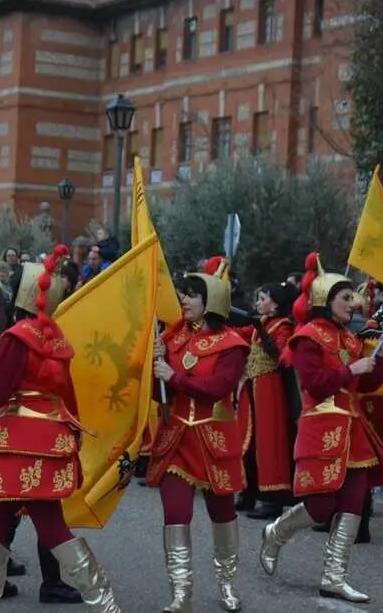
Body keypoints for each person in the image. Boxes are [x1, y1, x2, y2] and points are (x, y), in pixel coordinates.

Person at [0, 245, 121, 612]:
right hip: (51, 441)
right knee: (32, 523)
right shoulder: (56, 339)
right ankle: (103, 601)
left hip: (17, 442)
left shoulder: (17, 337)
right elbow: (69, 397)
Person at [259, 252, 383, 603]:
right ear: (325, 300)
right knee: (321, 506)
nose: (354, 302)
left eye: (353, 296)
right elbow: (317, 384)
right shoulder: (306, 337)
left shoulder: (349, 338)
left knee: (354, 498)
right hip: (321, 425)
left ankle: (334, 576)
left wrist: (379, 356)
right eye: (345, 297)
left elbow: (366, 385)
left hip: (353, 428)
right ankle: (275, 533)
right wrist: (354, 369)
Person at [145, 258, 249, 613]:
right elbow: (159, 393)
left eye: (192, 295)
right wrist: (152, 369)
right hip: (175, 439)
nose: (184, 300)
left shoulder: (233, 344)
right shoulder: (171, 339)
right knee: (176, 515)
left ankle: (228, 585)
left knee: (223, 514)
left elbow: (216, 389)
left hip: (215, 440)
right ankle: (180, 593)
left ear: (213, 300)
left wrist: (171, 375)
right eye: (184, 294)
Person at [236, 282, 298, 520]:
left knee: (269, 443)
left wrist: (258, 329)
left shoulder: (284, 326)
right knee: (250, 442)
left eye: (262, 299)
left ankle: (273, 500)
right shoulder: (261, 324)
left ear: (275, 303)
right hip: (254, 388)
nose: (258, 303)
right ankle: (249, 492)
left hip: (271, 391)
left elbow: (277, 354)